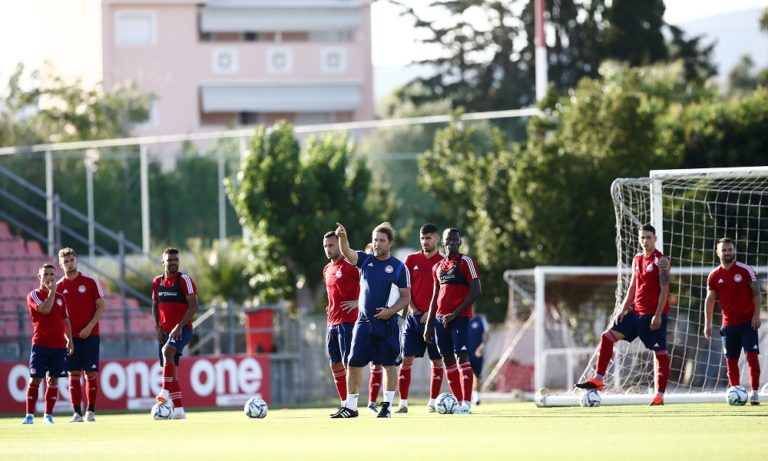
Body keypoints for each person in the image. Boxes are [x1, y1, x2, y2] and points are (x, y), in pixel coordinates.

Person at [576, 224, 671, 406]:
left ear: (655, 239)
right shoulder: (637, 259)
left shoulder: (662, 261)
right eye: (642, 237)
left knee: (660, 354)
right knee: (607, 336)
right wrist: (623, 308)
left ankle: (659, 396)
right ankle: (598, 378)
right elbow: (633, 287)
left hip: (652, 317)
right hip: (635, 314)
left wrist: (658, 315)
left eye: (648, 237)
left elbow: (665, 289)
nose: (645, 241)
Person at [330, 222, 411, 418]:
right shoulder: (366, 260)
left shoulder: (399, 268)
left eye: (381, 240)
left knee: (389, 365)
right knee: (353, 363)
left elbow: (406, 297)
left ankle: (387, 406)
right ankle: (351, 407)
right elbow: (347, 252)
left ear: (389, 243)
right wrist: (342, 237)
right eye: (375, 240)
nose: (377, 244)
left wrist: (390, 311)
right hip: (363, 323)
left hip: (387, 324)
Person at [424, 227, 482, 414]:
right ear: (443, 242)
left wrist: (455, 313)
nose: (452, 243)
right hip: (441, 321)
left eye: (455, 240)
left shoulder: (466, 262)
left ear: (460, 242)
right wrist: (429, 324)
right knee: (447, 360)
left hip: (460, 319)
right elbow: (434, 298)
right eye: (449, 240)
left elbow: (476, 290)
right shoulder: (437, 267)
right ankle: (457, 403)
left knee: (462, 357)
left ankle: (466, 404)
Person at [703, 237, 763, 405]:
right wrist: (707, 324)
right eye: (724, 250)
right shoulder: (714, 275)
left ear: (734, 251)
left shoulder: (746, 270)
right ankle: (735, 391)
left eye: (730, 249)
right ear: (717, 253)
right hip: (728, 326)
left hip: (748, 323)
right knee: (731, 361)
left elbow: (757, 293)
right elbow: (710, 300)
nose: (727, 252)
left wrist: (756, 315)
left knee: (752, 357)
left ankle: (755, 393)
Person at [396, 223, 445, 413]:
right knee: (406, 359)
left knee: (437, 362)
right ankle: (403, 404)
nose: (425, 241)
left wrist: (431, 314)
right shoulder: (410, 259)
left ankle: (433, 403)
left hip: (434, 320)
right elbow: (404, 290)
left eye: (429, 238)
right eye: (423, 238)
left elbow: (445, 292)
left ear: (437, 239)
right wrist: (414, 309)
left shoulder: (443, 261)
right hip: (412, 319)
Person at [57, 247, 105, 423]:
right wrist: (67, 336)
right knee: (73, 374)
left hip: (91, 335)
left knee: (90, 374)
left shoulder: (91, 282)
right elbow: (58, 316)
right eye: (65, 262)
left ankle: (90, 411)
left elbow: (101, 306)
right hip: (71, 338)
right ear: (61, 265)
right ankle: (76, 413)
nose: (69, 264)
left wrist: (89, 327)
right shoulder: (59, 287)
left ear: (76, 261)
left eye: (71, 260)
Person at [22, 264, 74, 424]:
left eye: (52, 274)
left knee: (53, 380)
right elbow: (44, 310)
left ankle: (48, 415)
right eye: (46, 274)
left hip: (58, 346)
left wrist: (70, 340)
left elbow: (65, 320)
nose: (49, 277)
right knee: (35, 379)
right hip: (40, 345)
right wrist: (51, 292)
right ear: (39, 277)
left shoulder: (61, 298)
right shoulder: (34, 295)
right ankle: (29, 415)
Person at [153, 247, 199, 420]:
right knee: (172, 371)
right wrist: (157, 327)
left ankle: (164, 390)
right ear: (163, 262)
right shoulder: (157, 282)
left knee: (168, 351)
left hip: (183, 329)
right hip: (164, 331)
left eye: (176, 260)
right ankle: (179, 411)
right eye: (170, 260)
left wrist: (179, 326)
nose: (173, 263)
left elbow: (194, 306)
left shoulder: (184, 280)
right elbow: (155, 305)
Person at [322, 231, 360, 413]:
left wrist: (358, 303)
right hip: (332, 323)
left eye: (331, 245)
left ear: (339, 244)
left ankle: (352, 405)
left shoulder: (352, 266)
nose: (328, 249)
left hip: (349, 322)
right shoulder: (327, 269)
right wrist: (329, 307)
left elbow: (369, 286)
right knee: (335, 364)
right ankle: (345, 403)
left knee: (349, 364)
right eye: (325, 246)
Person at [468, 311, 489, 405]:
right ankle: (463, 397)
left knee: (477, 375)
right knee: (464, 374)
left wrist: (482, 346)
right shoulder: (461, 319)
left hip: (477, 353)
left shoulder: (481, 320)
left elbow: (486, 335)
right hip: (464, 352)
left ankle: (476, 397)